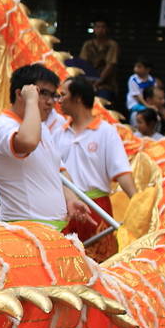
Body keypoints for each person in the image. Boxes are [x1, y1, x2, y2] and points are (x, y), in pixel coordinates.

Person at [0, 64, 90, 229]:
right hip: (25, 231)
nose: (50, 102)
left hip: (52, 229)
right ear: (20, 94)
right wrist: (32, 101)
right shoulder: (2, 125)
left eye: (52, 95)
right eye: (42, 93)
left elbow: (57, 171)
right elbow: (28, 142)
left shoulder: (42, 129)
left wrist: (71, 198)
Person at [57, 75, 136, 261]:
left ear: (77, 98)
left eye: (63, 95)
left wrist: (138, 202)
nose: (59, 100)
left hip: (96, 208)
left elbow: (122, 172)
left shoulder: (105, 132)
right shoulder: (59, 133)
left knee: (98, 265)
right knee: (64, 265)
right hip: (64, 208)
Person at [79, 21, 120, 95]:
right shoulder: (87, 44)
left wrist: (99, 81)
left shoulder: (112, 45)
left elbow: (110, 65)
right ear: (94, 29)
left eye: (103, 27)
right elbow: (83, 63)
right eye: (98, 27)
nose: (100, 29)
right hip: (88, 82)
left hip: (106, 84)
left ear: (107, 29)